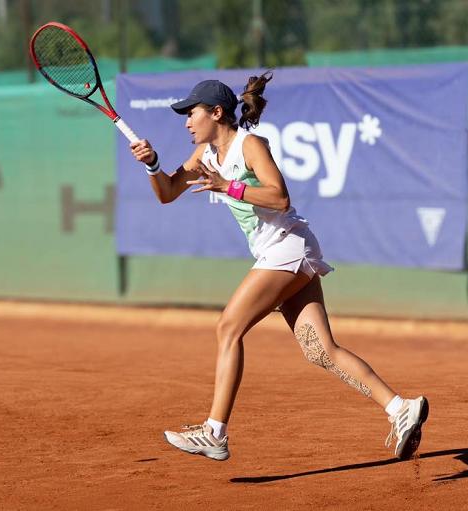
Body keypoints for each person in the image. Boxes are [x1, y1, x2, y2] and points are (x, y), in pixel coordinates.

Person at [129, 72, 428, 462]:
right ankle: (400, 408)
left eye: (192, 113)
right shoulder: (204, 156)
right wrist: (153, 165)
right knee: (320, 349)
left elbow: (280, 197)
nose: (186, 121)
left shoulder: (249, 145)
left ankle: (215, 431)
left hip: (287, 247)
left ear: (216, 113)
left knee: (228, 326)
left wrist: (228, 186)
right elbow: (168, 193)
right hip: (281, 252)